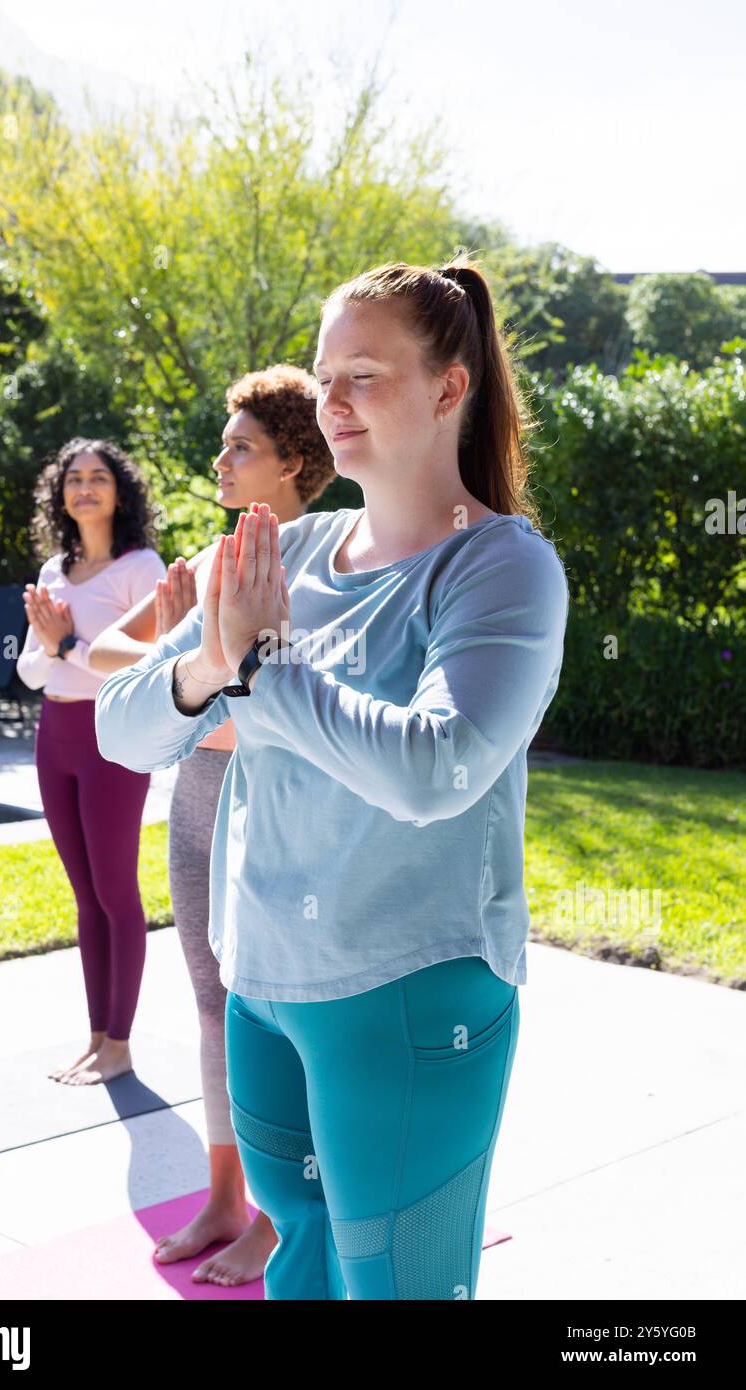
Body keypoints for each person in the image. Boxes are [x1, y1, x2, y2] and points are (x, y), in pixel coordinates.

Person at [94, 255, 571, 1299]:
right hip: (263, 986)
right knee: (298, 1263)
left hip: (409, 995)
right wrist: (212, 663)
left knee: (395, 1284)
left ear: (450, 388)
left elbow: (435, 768)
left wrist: (260, 669)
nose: (333, 399)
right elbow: (123, 731)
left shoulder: (499, 566)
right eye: (323, 374)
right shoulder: (282, 552)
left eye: (364, 372)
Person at [88, 366, 335, 1286]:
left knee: (273, 1008)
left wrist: (193, 661)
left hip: (260, 797)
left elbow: (282, 697)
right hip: (196, 791)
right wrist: (172, 630)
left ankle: (281, 1213)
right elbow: (135, 670)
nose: (221, 458)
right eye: (225, 442)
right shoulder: (216, 555)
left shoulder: (327, 560)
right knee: (210, 1001)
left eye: (243, 446)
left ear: (295, 461)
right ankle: (226, 1198)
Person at [16, 438, 166, 1086]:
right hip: (55, 737)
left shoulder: (141, 568)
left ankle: (122, 1043)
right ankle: (97, 1037)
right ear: (61, 495)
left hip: (115, 740)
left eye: (97, 478)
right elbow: (26, 668)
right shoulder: (53, 572)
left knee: (115, 892)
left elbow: (147, 664)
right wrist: (57, 649)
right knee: (84, 896)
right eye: (73, 478)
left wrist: (67, 643)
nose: (84, 488)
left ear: (118, 491)